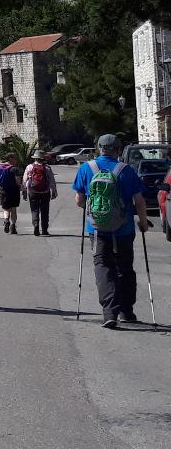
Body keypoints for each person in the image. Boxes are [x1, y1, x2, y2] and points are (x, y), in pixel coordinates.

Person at [72, 133, 153, 328]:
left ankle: (109, 313)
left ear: (99, 148)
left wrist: (95, 209)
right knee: (125, 268)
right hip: (124, 229)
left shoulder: (87, 168)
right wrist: (142, 223)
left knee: (103, 268)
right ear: (118, 150)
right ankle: (126, 311)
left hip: (97, 229)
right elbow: (140, 202)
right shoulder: (127, 170)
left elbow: (79, 201)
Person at [22, 153, 57, 235]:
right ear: (43, 158)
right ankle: (44, 230)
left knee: (34, 210)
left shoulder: (29, 167)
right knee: (45, 211)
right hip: (45, 191)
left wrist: (24, 191)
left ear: (35, 158)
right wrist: (54, 191)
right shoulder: (47, 168)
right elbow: (52, 180)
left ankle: (36, 225)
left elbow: (24, 180)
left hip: (32, 191)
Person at [0, 155, 23, 233]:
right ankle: (13, 226)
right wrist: (20, 187)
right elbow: (17, 181)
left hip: (4, 191)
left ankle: (6, 220)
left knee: (6, 209)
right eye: (15, 158)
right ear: (10, 159)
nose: (16, 160)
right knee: (13, 209)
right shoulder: (14, 169)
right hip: (14, 191)